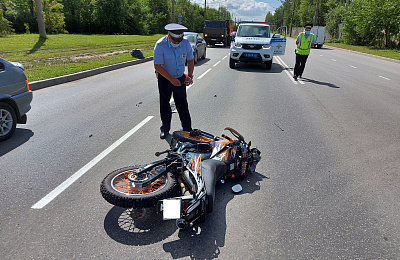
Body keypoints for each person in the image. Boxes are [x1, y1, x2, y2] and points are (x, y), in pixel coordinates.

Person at [154, 23, 194, 139]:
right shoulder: (161, 45)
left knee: (182, 104)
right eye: (175, 41)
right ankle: (165, 129)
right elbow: (157, 65)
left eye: (179, 41)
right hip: (165, 78)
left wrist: (190, 76)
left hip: (180, 77)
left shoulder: (185, 43)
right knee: (165, 104)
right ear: (169, 36)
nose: (177, 43)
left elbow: (190, 60)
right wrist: (171, 79)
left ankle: (187, 129)